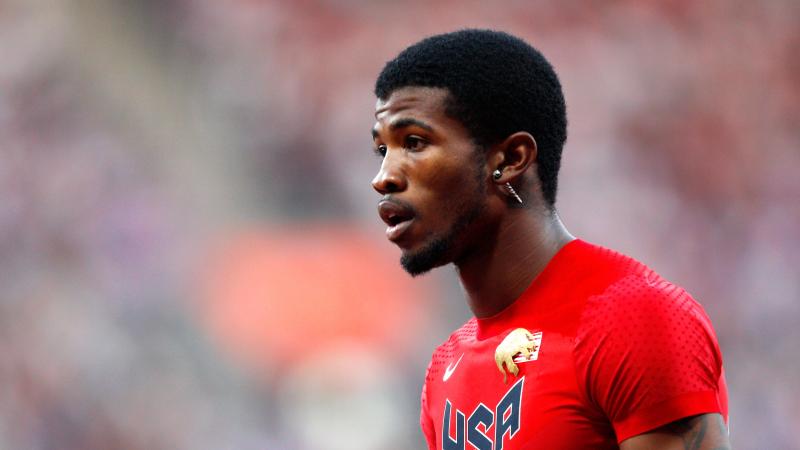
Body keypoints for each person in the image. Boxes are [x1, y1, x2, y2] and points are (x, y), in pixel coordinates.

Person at [369, 30, 730, 450]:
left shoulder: (631, 317)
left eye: (414, 142)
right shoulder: (446, 366)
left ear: (509, 159)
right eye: (382, 150)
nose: (383, 178)